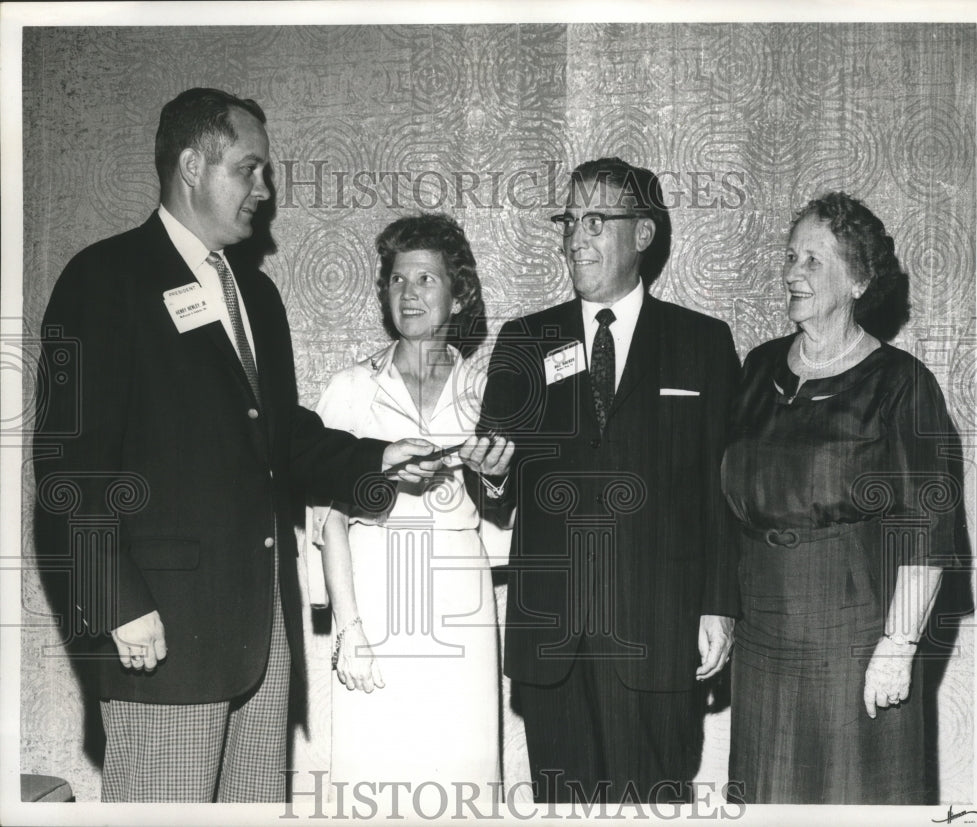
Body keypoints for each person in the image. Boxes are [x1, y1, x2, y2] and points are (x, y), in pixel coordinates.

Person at [30, 87, 442, 803]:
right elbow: (69, 466)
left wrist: (376, 457)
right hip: (160, 635)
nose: (267, 189)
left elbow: (280, 436)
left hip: (261, 639)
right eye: (249, 169)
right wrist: (115, 596)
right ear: (192, 165)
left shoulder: (257, 296)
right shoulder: (105, 279)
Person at [468, 157, 741, 803]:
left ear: (643, 233)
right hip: (552, 640)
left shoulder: (700, 343)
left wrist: (719, 602)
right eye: (570, 220)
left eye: (596, 220)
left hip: (658, 631)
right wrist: (496, 475)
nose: (575, 237)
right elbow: (492, 481)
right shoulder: (525, 340)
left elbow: (721, 490)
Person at [722, 191, 967, 804]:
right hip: (761, 633)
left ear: (857, 279)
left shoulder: (901, 383)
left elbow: (926, 523)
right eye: (789, 256)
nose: (790, 273)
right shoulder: (756, 371)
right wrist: (717, 607)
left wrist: (899, 644)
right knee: (765, 797)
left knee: (855, 796)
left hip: (855, 634)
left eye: (812, 260)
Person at [301, 213, 513, 810]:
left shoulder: (486, 391)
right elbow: (329, 519)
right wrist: (350, 630)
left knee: (462, 778)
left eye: (426, 279)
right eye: (397, 280)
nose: (410, 294)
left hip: (460, 606)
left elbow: (503, 504)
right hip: (375, 600)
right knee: (375, 778)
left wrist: (497, 478)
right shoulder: (351, 389)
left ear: (458, 293)